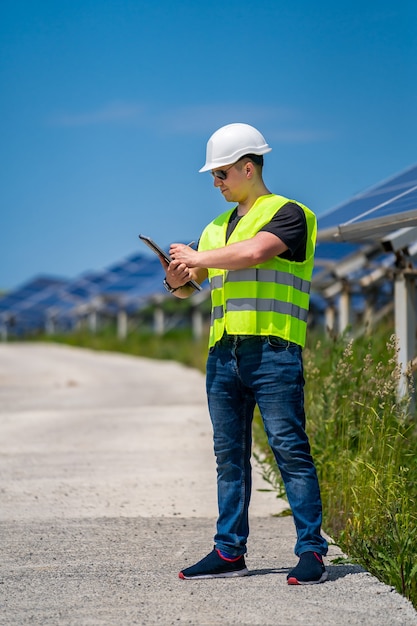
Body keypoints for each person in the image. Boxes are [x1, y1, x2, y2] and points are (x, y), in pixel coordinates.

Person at [161, 122, 328, 585]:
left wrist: (195, 260)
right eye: (214, 175)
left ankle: (312, 552)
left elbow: (256, 253)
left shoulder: (291, 214)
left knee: (289, 451)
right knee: (229, 456)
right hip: (224, 355)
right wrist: (177, 280)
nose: (216, 183)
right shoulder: (214, 229)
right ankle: (229, 551)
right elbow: (193, 284)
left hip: (274, 352)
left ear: (248, 167)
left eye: (221, 173)